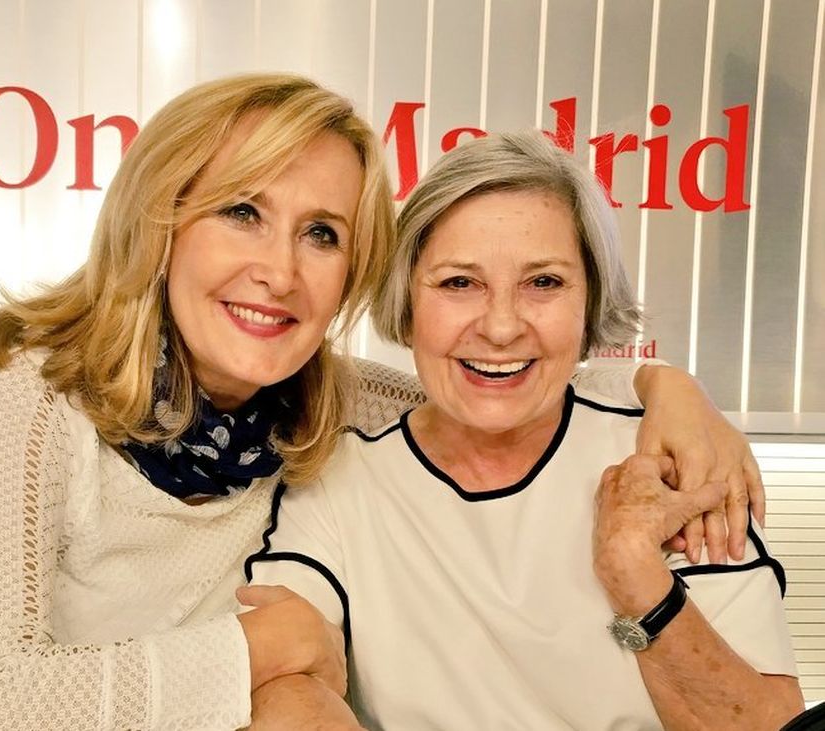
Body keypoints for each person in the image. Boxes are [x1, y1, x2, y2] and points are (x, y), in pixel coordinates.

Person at [0, 75, 765, 730]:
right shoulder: (24, 397)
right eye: (242, 211)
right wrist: (261, 647)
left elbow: (493, 375)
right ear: (161, 221)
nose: (279, 271)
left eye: (321, 233)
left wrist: (668, 390)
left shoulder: (327, 402)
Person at [246, 130, 803, 730]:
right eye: (459, 283)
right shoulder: (338, 479)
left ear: (590, 303)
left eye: (544, 283)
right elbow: (285, 683)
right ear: (407, 302)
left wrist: (637, 576)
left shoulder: (668, 458)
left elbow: (769, 725)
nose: (502, 327)